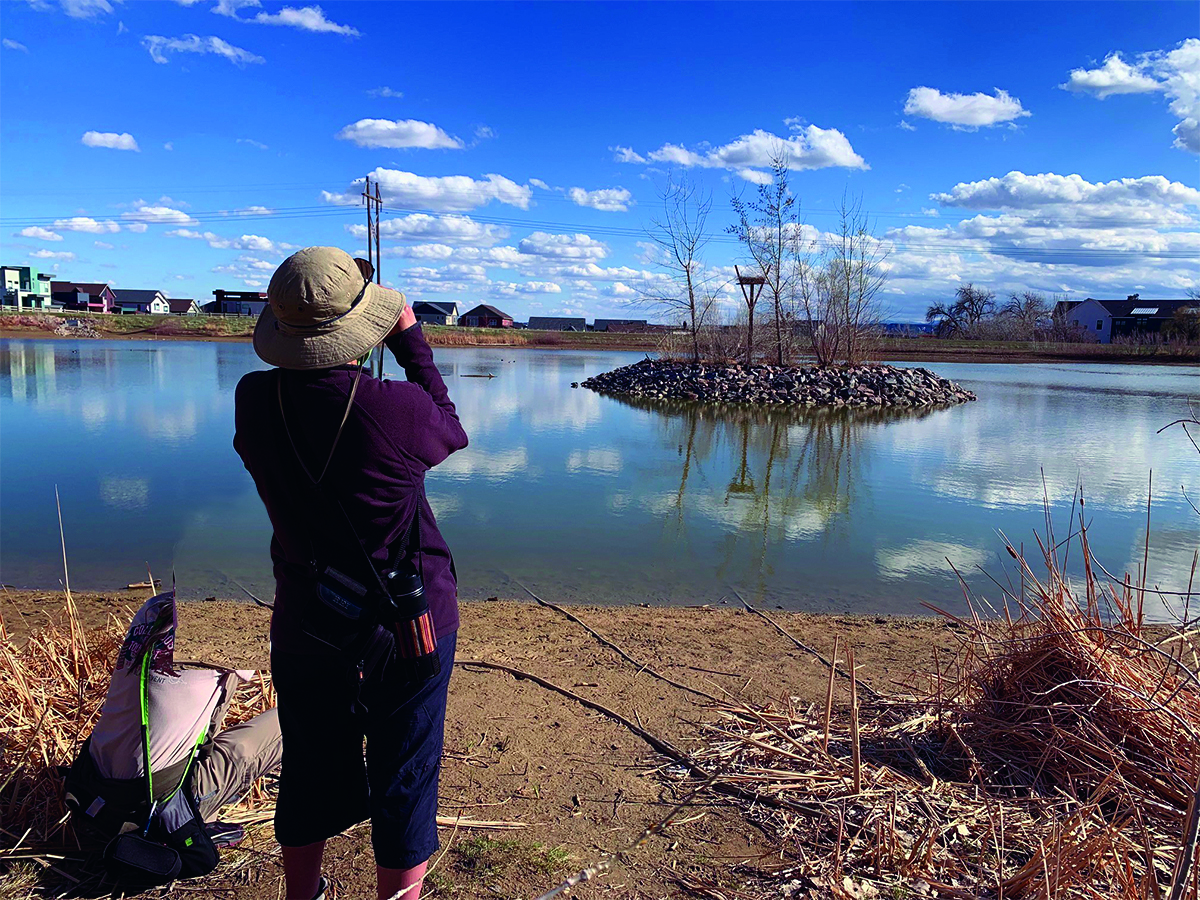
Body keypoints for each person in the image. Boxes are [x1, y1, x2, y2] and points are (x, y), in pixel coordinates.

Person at [233, 246, 467, 900]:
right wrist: (412, 341)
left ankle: (301, 896)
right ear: (359, 329)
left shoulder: (253, 401)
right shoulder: (395, 410)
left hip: (306, 620)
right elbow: (449, 429)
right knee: (406, 775)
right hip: (408, 622)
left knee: (308, 765)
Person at [66, 590, 282, 882]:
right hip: (152, 805)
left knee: (211, 686)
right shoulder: (233, 624)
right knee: (305, 712)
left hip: (95, 789)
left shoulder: (155, 607)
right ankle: (199, 812)